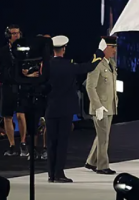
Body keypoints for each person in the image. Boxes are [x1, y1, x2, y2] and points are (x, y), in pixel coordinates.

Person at [44, 35, 103, 183]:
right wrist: (99, 54)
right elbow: (89, 66)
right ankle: (59, 173)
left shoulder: (46, 65)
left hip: (51, 108)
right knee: (62, 142)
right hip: (65, 109)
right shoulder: (69, 65)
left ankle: (51, 174)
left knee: (51, 142)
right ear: (64, 49)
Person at [0, 25, 28, 157]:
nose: (16, 35)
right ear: (8, 36)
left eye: (18, 33)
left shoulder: (24, 50)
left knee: (21, 115)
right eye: (13, 33)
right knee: (7, 116)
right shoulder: (2, 51)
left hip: (21, 86)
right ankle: (12, 145)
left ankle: (23, 143)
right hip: (6, 87)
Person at [85, 36, 118, 175]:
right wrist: (97, 106)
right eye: (112, 47)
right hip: (100, 107)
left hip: (109, 105)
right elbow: (90, 87)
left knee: (102, 135)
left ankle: (91, 161)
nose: (114, 50)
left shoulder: (111, 63)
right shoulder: (97, 64)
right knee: (104, 138)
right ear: (104, 47)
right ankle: (102, 166)